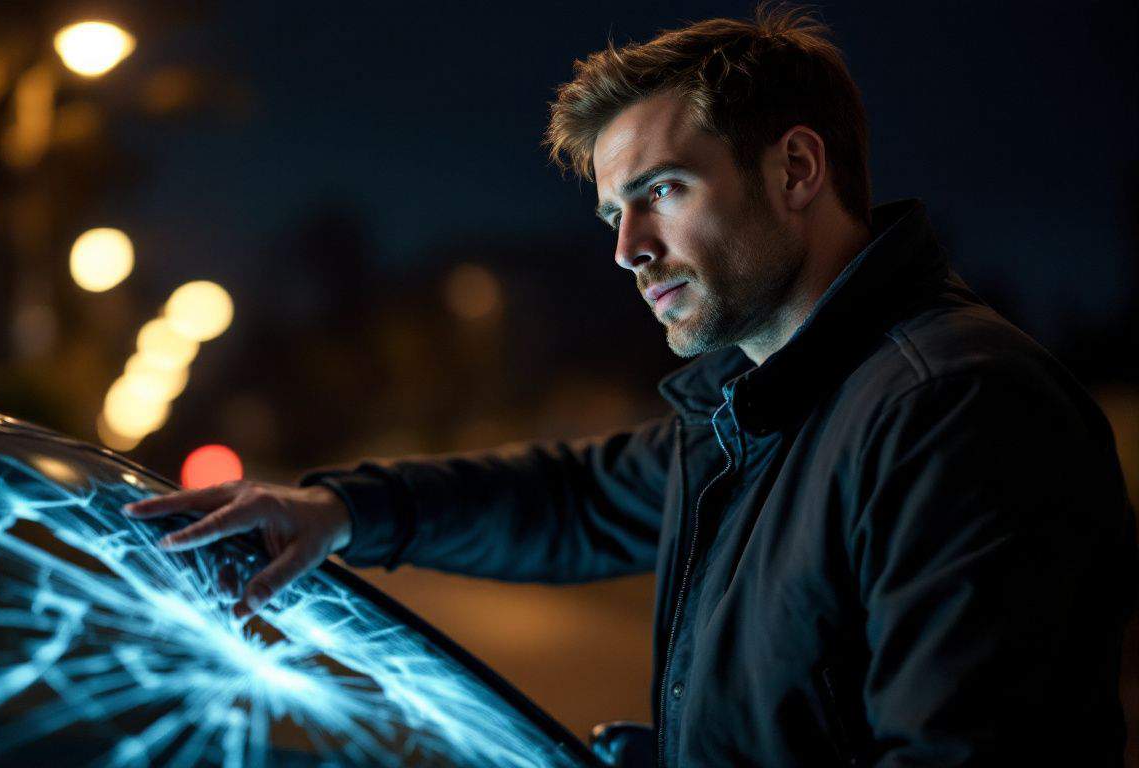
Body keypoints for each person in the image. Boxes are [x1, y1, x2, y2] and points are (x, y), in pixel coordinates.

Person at [123, 4, 1137, 765]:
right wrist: (340, 510)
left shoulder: (953, 409)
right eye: (614, 212)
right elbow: (568, 498)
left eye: (660, 192)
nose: (626, 251)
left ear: (796, 171)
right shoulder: (750, 414)